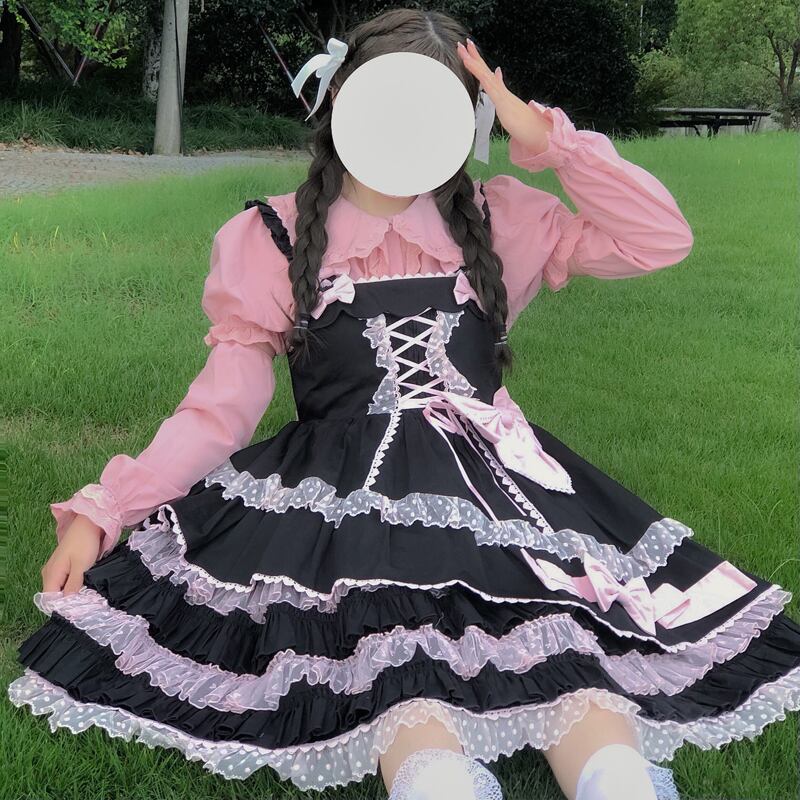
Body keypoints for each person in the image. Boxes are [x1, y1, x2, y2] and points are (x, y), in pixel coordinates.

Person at [8, 8, 800, 800]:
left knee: (562, 636)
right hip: (348, 501)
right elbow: (219, 412)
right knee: (399, 657)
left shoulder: (497, 219)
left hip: (498, 484)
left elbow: (656, 237)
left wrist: (547, 139)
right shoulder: (275, 236)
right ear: (343, 101)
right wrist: (106, 510)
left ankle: (614, 775)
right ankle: (437, 775)